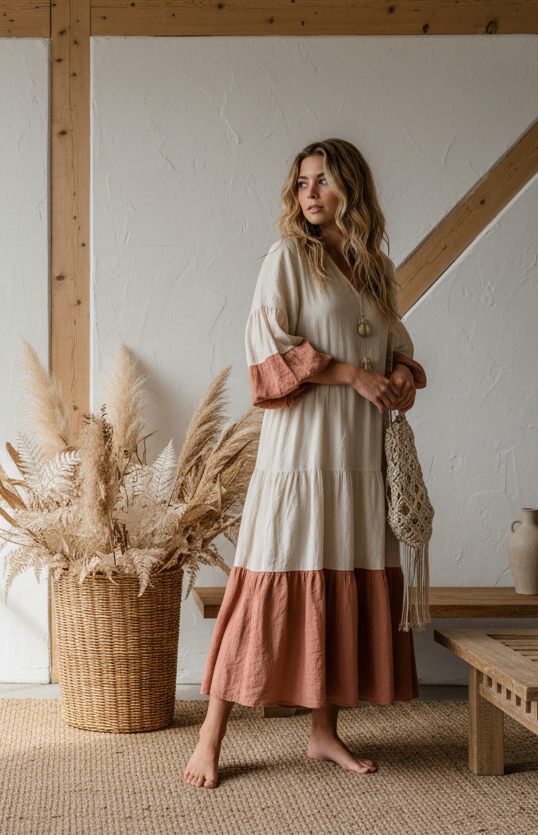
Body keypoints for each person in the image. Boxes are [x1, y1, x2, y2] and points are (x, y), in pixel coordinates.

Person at [183, 138, 428, 787]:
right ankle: (210, 738)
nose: (310, 194)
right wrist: (351, 375)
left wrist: (399, 372)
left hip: (358, 456)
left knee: (338, 582)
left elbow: (397, 340)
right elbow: (266, 347)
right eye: (301, 184)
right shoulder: (288, 259)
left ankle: (324, 733)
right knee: (268, 583)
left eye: (322, 180)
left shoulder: (373, 267)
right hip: (301, 454)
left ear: (352, 187)